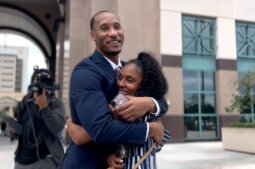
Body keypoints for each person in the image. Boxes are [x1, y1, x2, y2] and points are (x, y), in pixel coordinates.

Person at [61, 11, 168, 169]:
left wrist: (149, 102)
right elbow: (101, 128)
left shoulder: (129, 69)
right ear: (93, 35)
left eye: (117, 27)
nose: (113, 33)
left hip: (123, 159)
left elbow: (159, 96)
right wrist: (150, 129)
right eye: (104, 28)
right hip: (89, 163)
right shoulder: (86, 72)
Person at [67, 52, 170, 169]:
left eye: (129, 80)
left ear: (144, 84)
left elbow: (154, 142)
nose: (121, 84)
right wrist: (111, 155)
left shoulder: (139, 109)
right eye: (120, 77)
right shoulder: (121, 99)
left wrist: (151, 105)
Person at [9, 67, 65, 169]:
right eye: (39, 81)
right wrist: (13, 130)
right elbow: (21, 133)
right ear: (32, 84)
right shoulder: (23, 104)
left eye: (46, 81)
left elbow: (57, 127)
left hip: (46, 161)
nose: (42, 85)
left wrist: (44, 107)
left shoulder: (56, 103)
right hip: (22, 162)